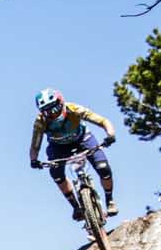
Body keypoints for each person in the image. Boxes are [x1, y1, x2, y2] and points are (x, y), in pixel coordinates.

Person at [28, 89, 117, 221]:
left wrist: (110, 135)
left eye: (55, 108)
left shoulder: (74, 109)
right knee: (56, 174)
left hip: (83, 139)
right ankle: (76, 207)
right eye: (47, 111)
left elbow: (103, 121)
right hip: (58, 146)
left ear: (61, 103)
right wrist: (34, 160)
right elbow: (35, 145)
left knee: (103, 167)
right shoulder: (40, 122)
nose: (52, 114)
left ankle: (110, 200)